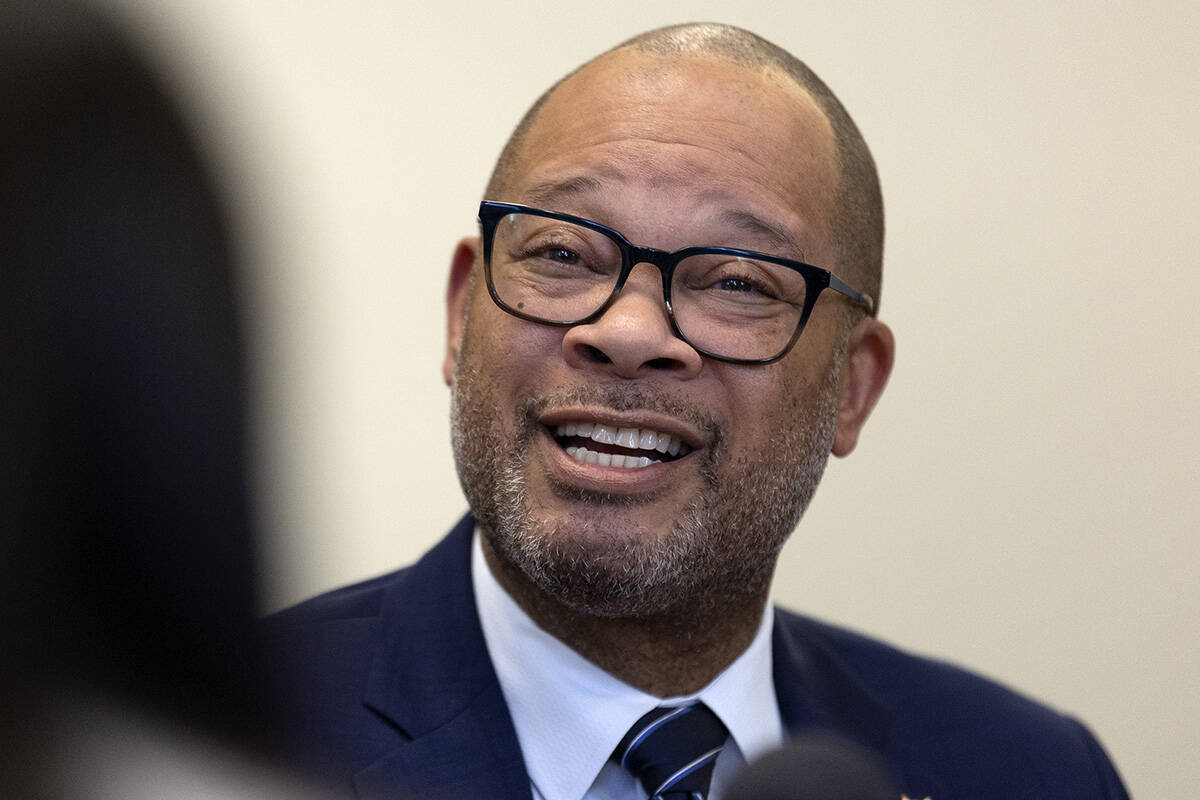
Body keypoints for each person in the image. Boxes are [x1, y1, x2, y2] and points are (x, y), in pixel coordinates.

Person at [266, 23, 1129, 800]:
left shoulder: (1032, 772)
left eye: (736, 281)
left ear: (853, 386)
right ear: (462, 315)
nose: (629, 331)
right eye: (563, 252)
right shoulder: (220, 740)